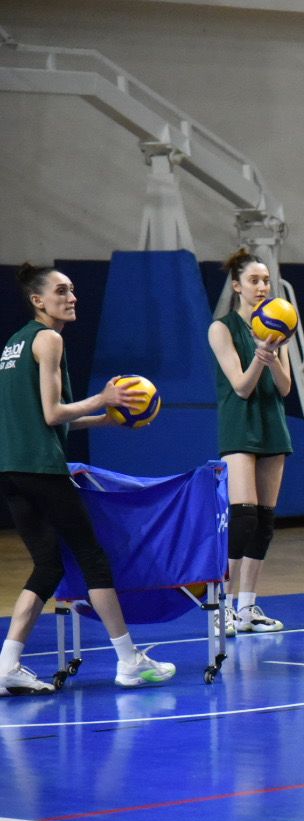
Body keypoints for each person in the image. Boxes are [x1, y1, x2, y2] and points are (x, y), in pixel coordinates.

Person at [0, 264, 178, 694]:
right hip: (41, 467)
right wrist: (104, 397)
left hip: (11, 469)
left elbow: (40, 417)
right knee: (93, 559)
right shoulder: (50, 339)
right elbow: (52, 413)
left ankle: (6, 664)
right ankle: (129, 660)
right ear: (38, 300)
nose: (72, 297)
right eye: (61, 291)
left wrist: (104, 418)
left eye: (73, 289)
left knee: (48, 565)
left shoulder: (14, 343)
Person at [207, 248, 294, 636]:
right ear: (237, 286)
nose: (262, 287)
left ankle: (247, 608)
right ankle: (221, 606)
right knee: (242, 519)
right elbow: (241, 387)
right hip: (240, 426)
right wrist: (261, 356)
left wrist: (273, 355)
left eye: (266, 281)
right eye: (254, 280)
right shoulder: (221, 328)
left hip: (272, 425)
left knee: (264, 523)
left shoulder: (278, 326)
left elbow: (285, 387)